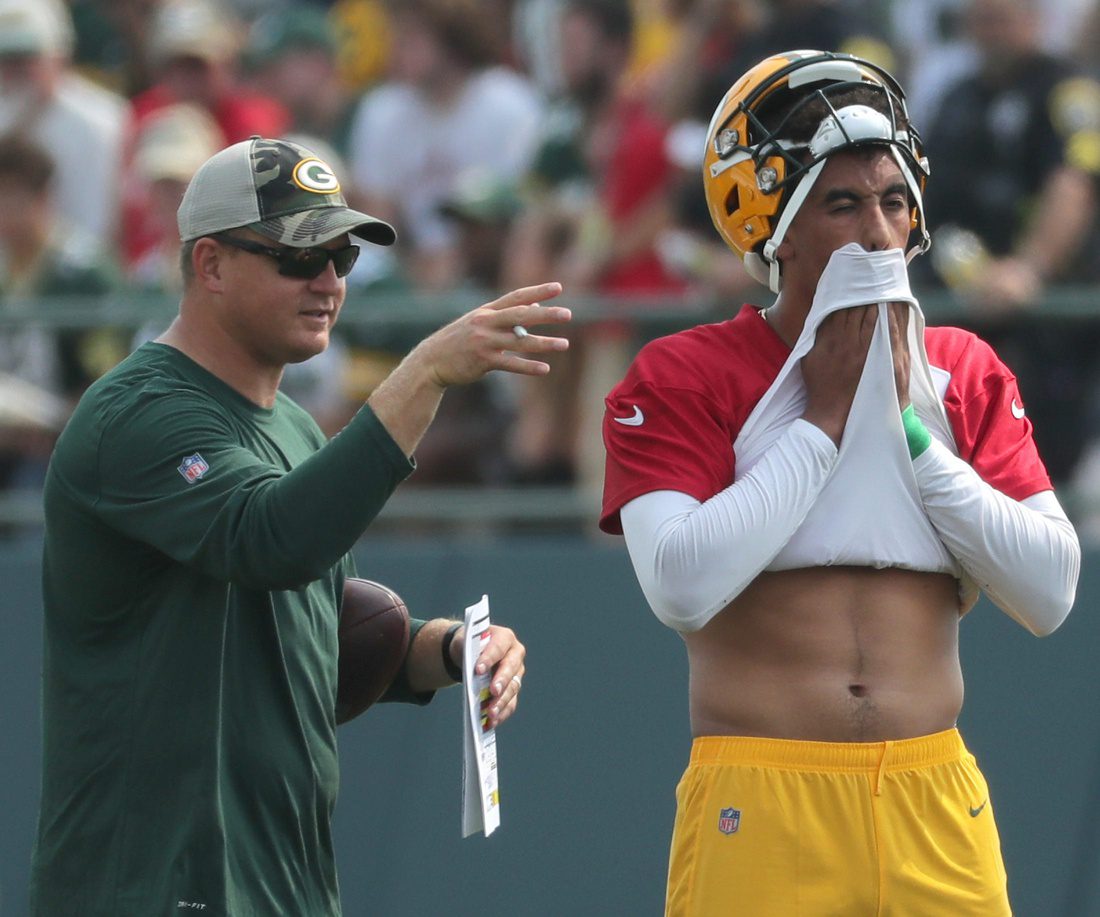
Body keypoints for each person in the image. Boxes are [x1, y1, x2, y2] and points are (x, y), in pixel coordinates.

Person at [31, 136, 570, 915]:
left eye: (341, 259)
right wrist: (423, 373)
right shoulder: (137, 413)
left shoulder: (292, 427)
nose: (327, 281)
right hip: (151, 880)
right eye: (297, 256)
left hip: (284, 881)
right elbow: (271, 540)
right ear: (209, 264)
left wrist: (452, 648)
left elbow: (320, 631)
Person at [599, 50, 1081, 915]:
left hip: (935, 794)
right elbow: (681, 583)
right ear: (772, 225)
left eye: (894, 201)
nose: (878, 233)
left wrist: (909, 433)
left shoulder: (962, 368)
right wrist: (820, 422)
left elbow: (1051, 589)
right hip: (763, 794)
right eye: (843, 203)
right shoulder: (683, 371)